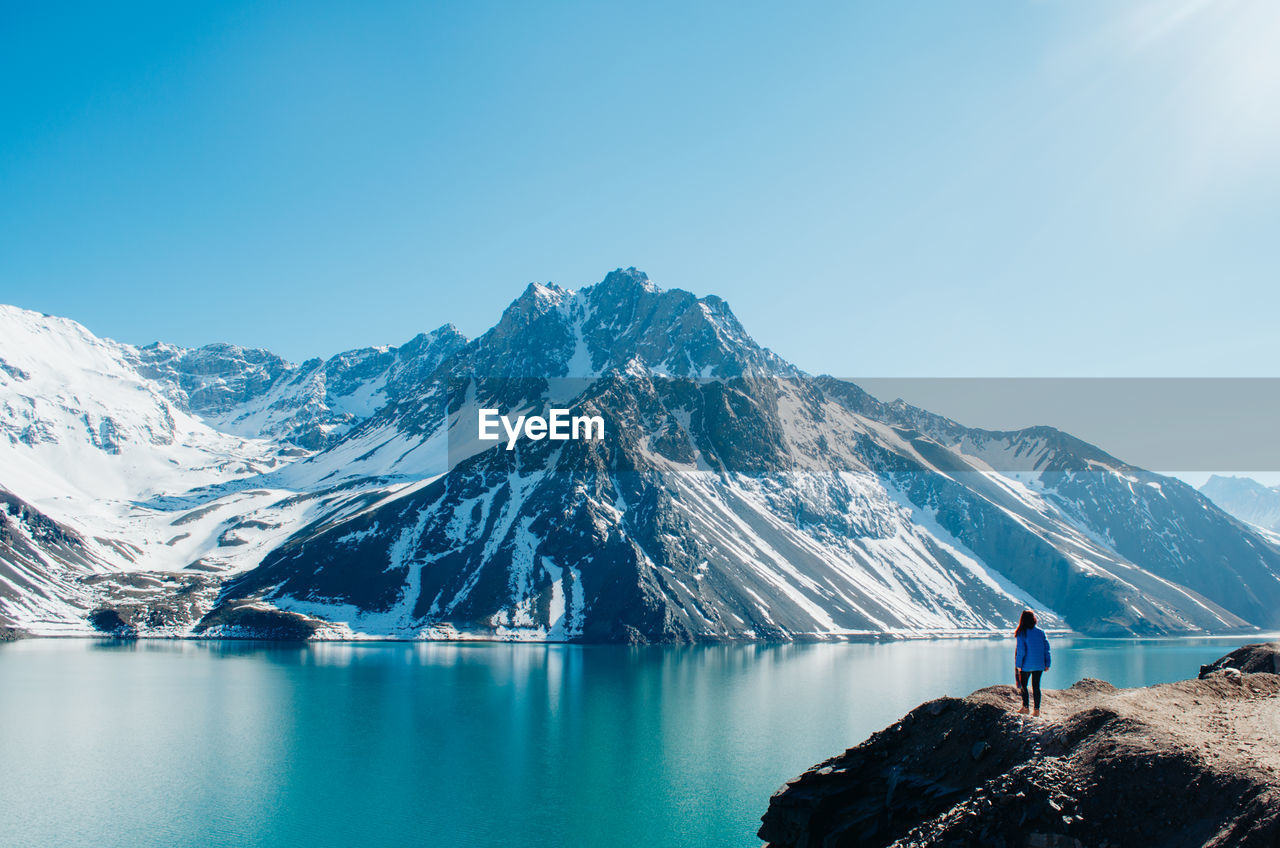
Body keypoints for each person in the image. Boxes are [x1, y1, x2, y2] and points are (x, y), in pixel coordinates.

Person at [1014, 609, 1051, 716]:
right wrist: (1047, 663)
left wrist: (1019, 665)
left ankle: (1025, 708)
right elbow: (1046, 649)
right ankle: (1037, 710)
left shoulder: (1022, 633)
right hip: (1039, 665)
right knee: (1036, 687)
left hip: (1026, 665)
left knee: (1024, 686)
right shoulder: (1041, 632)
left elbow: (1021, 651)